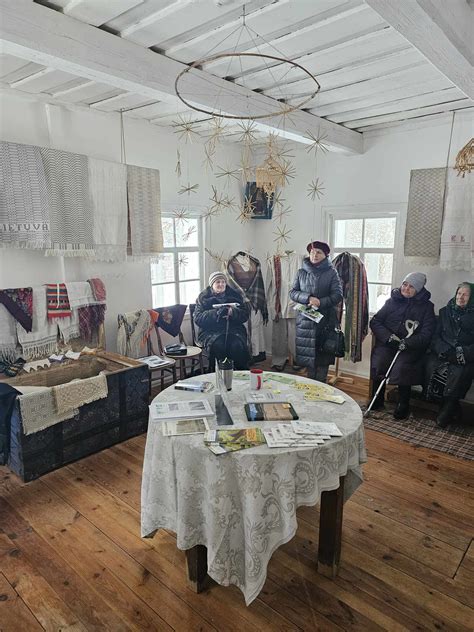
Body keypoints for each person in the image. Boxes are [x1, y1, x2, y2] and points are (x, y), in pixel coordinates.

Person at [370, 272, 436, 419]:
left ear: (418, 289)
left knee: (402, 366)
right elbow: (375, 321)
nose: (406, 288)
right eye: (404, 284)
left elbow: (427, 334)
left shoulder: (427, 307)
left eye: (411, 286)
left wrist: (408, 343)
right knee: (379, 360)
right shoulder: (392, 301)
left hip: (409, 348)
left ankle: (403, 403)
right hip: (389, 344)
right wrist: (388, 337)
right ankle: (377, 399)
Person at [289, 241, 343, 383]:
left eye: (319, 252)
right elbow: (293, 293)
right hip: (305, 322)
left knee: (323, 359)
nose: (315, 255)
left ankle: (322, 388)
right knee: (309, 362)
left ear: (325, 255)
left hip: (325, 322)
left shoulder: (332, 273)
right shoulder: (301, 272)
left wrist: (320, 302)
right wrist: (308, 298)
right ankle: (311, 389)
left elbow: (338, 295)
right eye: (312, 252)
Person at [425, 282, 474, 427]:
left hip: (465, 355)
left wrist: (461, 353)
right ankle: (446, 404)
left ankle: (449, 406)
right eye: (459, 293)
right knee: (431, 365)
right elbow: (435, 336)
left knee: (461, 371)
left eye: (465, 295)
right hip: (444, 351)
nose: (461, 297)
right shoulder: (445, 312)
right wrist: (445, 350)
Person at [194, 271, 250, 370]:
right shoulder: (203, 297)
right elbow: (198, 318)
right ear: (212, 284)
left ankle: (239, 373)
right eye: (218, 282)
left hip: (233, 329)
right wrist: (216, 313)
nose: (221, 284)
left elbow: (245, 315)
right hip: (211, 331)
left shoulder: (235, 295)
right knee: (218, 345)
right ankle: (218, 373)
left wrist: (232, 312)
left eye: (223, 282)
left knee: (237, 345)